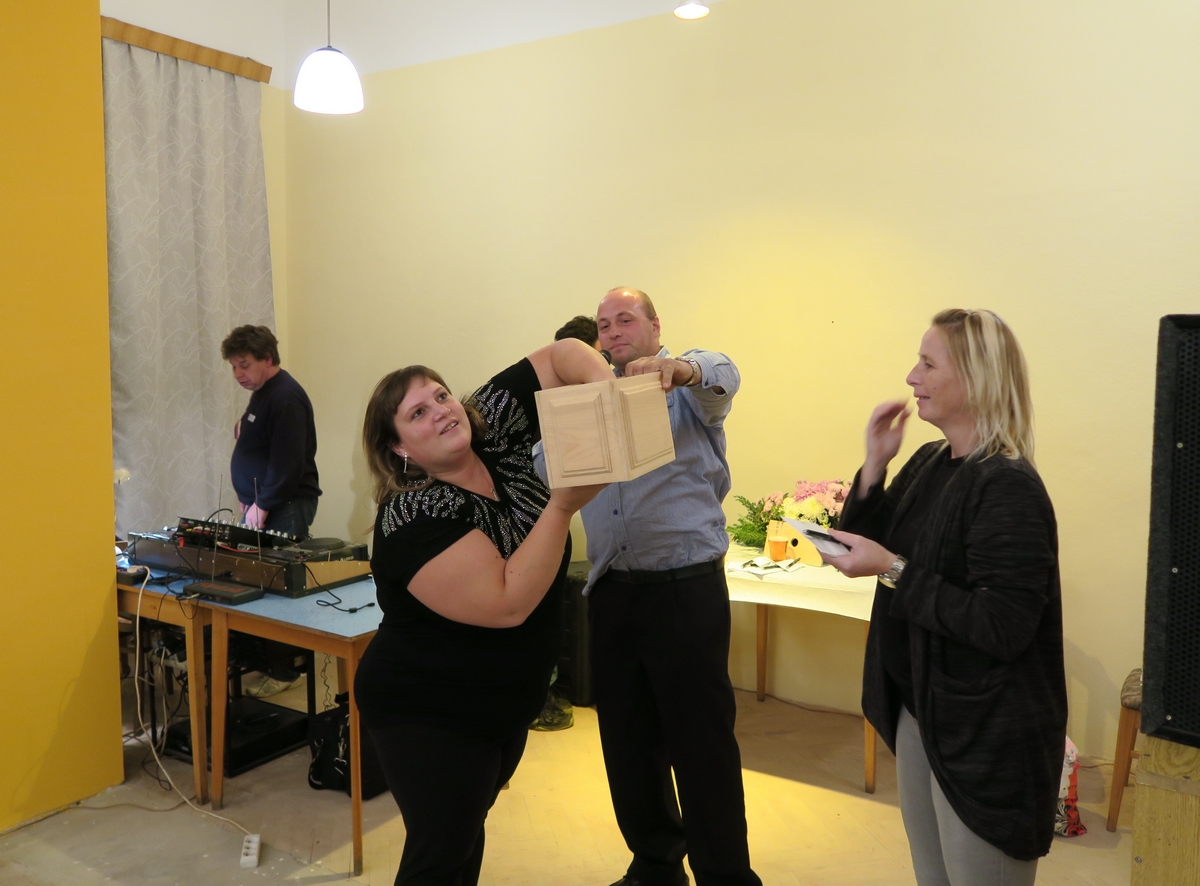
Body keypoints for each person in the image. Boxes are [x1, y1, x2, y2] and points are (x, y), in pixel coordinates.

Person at [355, 337, 611, 886]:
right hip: (429, 712)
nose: (441, 410)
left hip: (500, 705)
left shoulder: (487, 431)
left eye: (441, 395)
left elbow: (560, 354)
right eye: (417, 413)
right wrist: (563, 504)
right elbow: (507, 603)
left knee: (463, 836)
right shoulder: (412, 513)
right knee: (439, 856)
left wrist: (605, 389)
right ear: (399, 448)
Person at [824, 309, 1067, 886]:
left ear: (977, 378)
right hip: (924, 708)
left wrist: (893, 570)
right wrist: (874, 466)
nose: (912, 377)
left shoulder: (1006, 485)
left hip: (986, 729)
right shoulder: (931, 461)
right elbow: (872, 542)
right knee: (933, 875)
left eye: (928, 364)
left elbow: (1002, 626)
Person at [573, 287, 761, 886]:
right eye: (604, 325)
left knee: (701, 746)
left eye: (625, 319)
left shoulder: (688, 391)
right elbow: (548, 469)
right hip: (612, 592)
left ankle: (725, 876)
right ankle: (655, 865)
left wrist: (680, 369)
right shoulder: (586, 402)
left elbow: (724, 374)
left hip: (684, 591)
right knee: (627, 744)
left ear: (655, 327)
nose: (613, 332)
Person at [222, 325, 321, 539]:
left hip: (284, 504)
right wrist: (247, 494)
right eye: (234, 367)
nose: (238, 374)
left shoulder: (285, 398)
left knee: (275, 561)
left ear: (267, 359)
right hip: (264, 502)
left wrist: (263, 503)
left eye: (244, 365)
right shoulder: (264, 390)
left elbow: (287, 462)